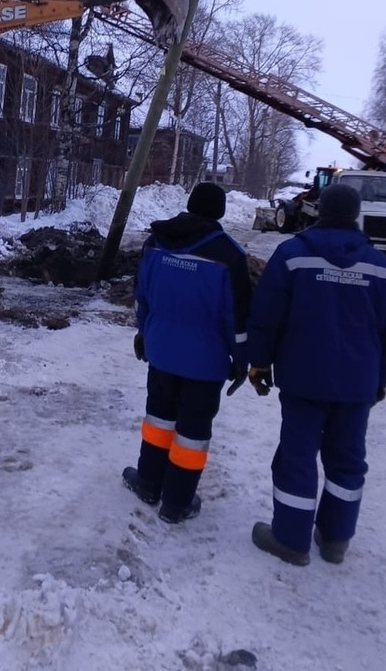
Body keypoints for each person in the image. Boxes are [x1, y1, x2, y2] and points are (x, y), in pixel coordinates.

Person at [247, 183, 386, 566]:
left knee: (297, 458)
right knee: (347, 460)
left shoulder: (293, 255)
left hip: (303, 380)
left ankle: (290, 539)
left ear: (319, 211)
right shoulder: (381, 268)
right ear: (355, 214)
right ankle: (335, 539)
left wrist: (259, 362)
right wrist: (381, 379)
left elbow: (267, 317)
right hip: (356, 385)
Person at [123, 182, 252, 524]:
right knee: (192, 434)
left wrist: (143, 332)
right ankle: (177, 503)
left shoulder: (155, 243)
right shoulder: (229, 256)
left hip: (161, 352)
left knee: (158, 420)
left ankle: (148, 482)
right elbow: (237, 319)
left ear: (189, 205)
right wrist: (241, 361)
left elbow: (143, 296)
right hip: (205, 364)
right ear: (220, 212)